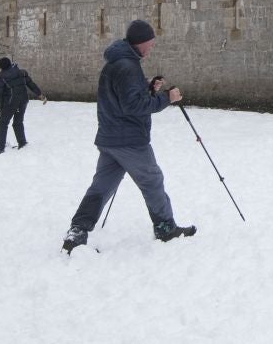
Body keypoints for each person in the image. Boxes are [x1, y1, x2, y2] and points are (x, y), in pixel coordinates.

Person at [62, 19, 195, 252]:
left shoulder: (117, 63)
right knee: (152, 181)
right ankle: (165, 228)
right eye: (150, 43)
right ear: (140, 42)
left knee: (101, 186)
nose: (152, 47)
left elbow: (123, 96)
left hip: (110, 138)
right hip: (130, 140)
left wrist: (148, 87)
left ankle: (77, 230)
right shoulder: (127, 66)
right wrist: (167, 98)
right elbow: (133, 106)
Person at [0, 56, 46, 153]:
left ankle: (0, 148)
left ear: (1, 67)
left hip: (11, 103)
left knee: (2, 123)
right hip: (23, 101)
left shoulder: (1, 78)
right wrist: (40, 94)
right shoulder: (21, 72)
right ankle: (22, 143)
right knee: (18, 122)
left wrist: (0, 108)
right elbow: (30, 83)